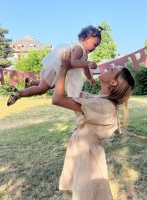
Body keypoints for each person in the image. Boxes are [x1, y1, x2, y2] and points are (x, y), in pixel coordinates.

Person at [52, 51, 135, 200]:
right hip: (84, 153)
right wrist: (72, 69)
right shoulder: (98, 99)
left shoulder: (103, 106)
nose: (109, 67)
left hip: (88, 160)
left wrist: (64, 69)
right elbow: (70, 92)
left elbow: (58, 99)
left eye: (113, 69)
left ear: (113, 83)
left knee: (86, 196)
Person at [7, 25, 102, 106]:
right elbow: (73, 62)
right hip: (55, 69)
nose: (95, 48)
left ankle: (31, 82)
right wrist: (88, 63)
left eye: (97, 46)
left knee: (50, 85)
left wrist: (90, 78)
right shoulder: (79, 49)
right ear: (85, 39)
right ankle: (19, 93)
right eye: (94, 44)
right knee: (42, 89)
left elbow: (84, 68)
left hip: (57, 71)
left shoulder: (84, 54)